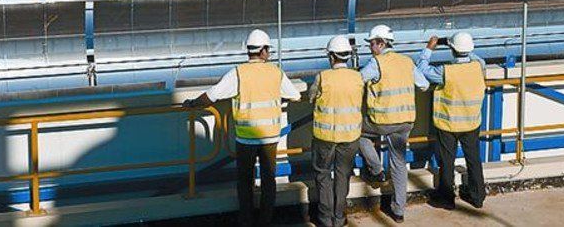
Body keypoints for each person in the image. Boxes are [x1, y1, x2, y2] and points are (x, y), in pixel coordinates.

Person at [183, 29, 301, 227]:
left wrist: (192, 103)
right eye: (268, 50)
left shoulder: (238, 73)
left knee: (244, 182)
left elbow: (211, 96)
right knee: (268, 182)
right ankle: (265, 221)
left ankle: (246, 220)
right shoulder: (275, 72)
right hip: (270, 139)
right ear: (263, 51)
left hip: (245, 139)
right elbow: (295, 95)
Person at [358, 25, 430, 223]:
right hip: (406, 121)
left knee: (356, 133)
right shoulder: (406, 62)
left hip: (382, 121)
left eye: (372, 43)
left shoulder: (376, 62)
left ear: (381, 43)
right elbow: (424, 85)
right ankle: (398, 211)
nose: (370, 47)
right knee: (399, 164)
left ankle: (376, 170)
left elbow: (358, 80)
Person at [417, 32, 487, 210]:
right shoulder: (479, 66)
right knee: (474, 160)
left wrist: (429, 49)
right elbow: (472, 56)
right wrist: (459, 47)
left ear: (452, 50)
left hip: (448, 124)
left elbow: (421, 70)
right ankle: (478, 196)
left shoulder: (446, 71)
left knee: (447, 162)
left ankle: (446, 199)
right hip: (471, 122)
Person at [308, 36, 364, 227]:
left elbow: (311, 96)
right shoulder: (358, 78)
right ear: (348, 55)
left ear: (331, 56)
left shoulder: (323, 77)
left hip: (324, 137)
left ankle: (325, 218)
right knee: (343, 175)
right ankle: (339, 218)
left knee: (323, 175)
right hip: (350, 137)